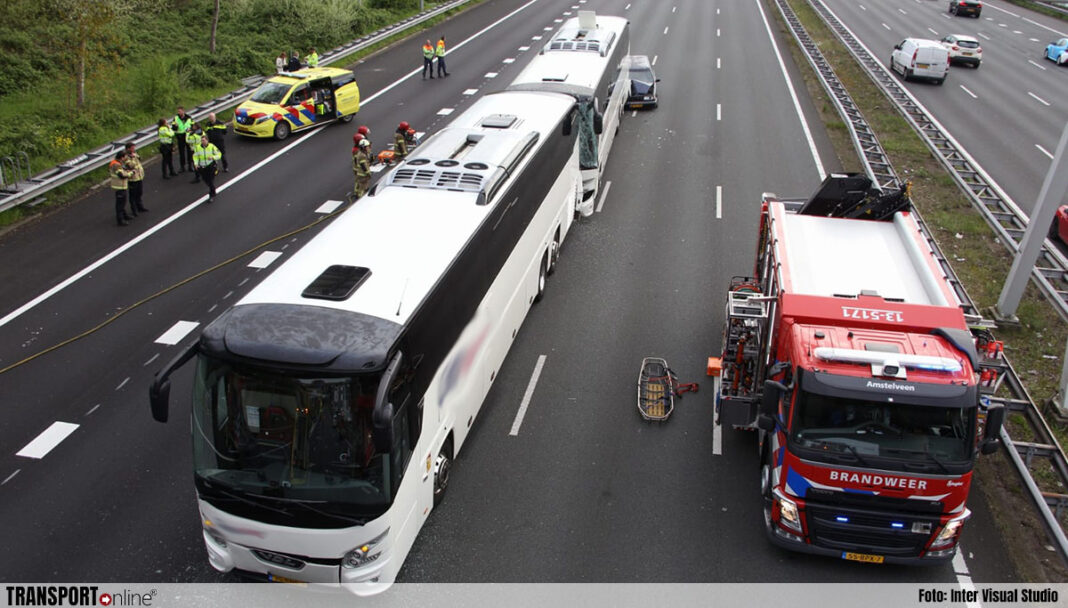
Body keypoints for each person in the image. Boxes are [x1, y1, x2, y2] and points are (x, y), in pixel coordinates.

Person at [193, 134, 222, 203]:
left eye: (204, 140)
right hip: (202, 167)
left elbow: (219, 154)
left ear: (207, 140)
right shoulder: (197, 147)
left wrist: (213, 157)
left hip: (210, 166)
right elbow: (195, 156)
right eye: (201, 140)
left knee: (211, 180)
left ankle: (211, 195)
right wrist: (196, 163)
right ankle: (213, 190)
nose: (202, 142)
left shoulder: (212, 147)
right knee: (206, 180)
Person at [108, 150, 133, 226]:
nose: (126, 158)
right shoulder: (116, 165)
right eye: (125, 156)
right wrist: (131, 173)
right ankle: (120, 220)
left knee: (123, 202)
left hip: (121, 186)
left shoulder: (117, 163)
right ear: (122, 157)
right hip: (119, 186)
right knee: (120, 204)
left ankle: (124, 216)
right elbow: (121, 175)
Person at [124, 143, 148, 215]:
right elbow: (131, 165)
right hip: (133, 178)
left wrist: (135, 156)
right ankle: (134, 210)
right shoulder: (126, 157)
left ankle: (140, 207)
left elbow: (140, 159)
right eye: (132, 148)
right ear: (128, 149)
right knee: (133, 195)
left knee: (139, 193)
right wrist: (132, 157)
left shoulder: (134, 154)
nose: (133, 149)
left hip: (139, 176)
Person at [172, 106, 194, 173]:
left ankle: (190, 166)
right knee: (181, 153)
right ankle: (182, 167)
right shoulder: (176, 118)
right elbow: (173, 128)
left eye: (180, 111)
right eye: (178, 111)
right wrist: (175, 127)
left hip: (187, 136)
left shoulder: (189, 118)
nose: (179, 112)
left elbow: (192, 126)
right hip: (180, 137)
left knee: (189, 152)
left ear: (183, 111)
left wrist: (191, 131)